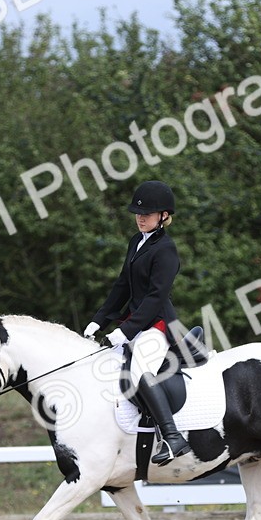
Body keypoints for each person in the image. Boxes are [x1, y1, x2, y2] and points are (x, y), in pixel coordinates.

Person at [84, 180, 192, 464]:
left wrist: (124, 332)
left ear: (164, 216)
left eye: (148, 213)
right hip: (134, 320)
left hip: (156, 325)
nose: (140, 217)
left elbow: (156, 298)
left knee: (139, 372)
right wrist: (99, 321)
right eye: (138, 213)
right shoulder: (136, 241)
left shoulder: (166, 249)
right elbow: (122, 286)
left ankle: (172, 437)